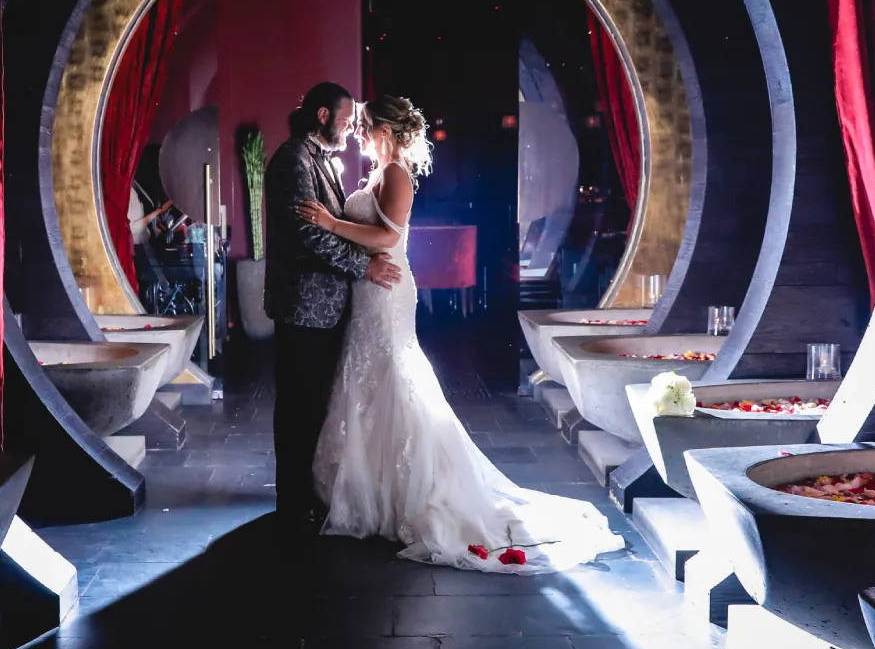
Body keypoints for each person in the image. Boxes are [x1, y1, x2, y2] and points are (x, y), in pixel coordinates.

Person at [297, 95, 624, 572]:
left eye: (365, 127)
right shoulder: (376, 173)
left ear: (385, 130)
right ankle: (369, 488)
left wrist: (330, 222)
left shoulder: (396, 175)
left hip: (387, 293)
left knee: (394, 376)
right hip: (368, 290)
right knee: (367, 376)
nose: (359, 135)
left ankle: (404, 492)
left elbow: (389, 238)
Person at [264, 83, 402, 538]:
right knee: (298, 407)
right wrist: (365, 267)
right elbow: (310, 236)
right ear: (323, 115)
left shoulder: (323, 158)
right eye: (345, 120)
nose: (350, 129)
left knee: (317, 404)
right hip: (304, 305)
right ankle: (292, 503)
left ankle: (310, 494)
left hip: (330, 305)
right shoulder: (293, 160)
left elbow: (337, 228)